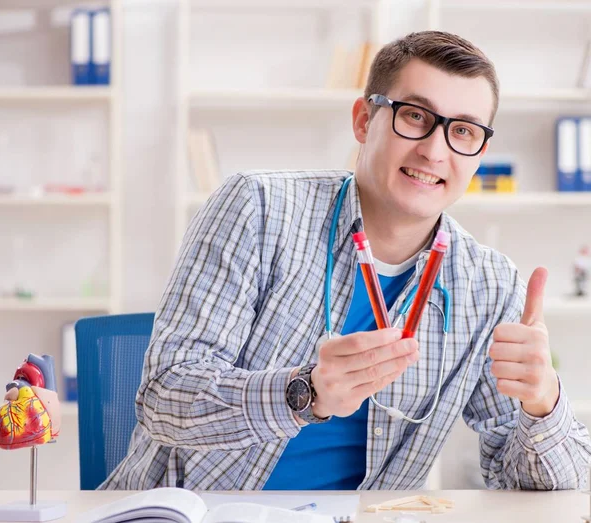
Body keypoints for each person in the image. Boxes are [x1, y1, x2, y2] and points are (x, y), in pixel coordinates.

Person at [102, 31, 591, 491]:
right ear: (363, 119)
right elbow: (164, 398)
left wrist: (543, 403)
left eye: (462, 131)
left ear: (479, 153)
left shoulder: (489, 285)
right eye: (415, 116)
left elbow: (527, 482)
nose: (434, 150)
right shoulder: (259, 207)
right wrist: (304, 393)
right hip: (196, 513)